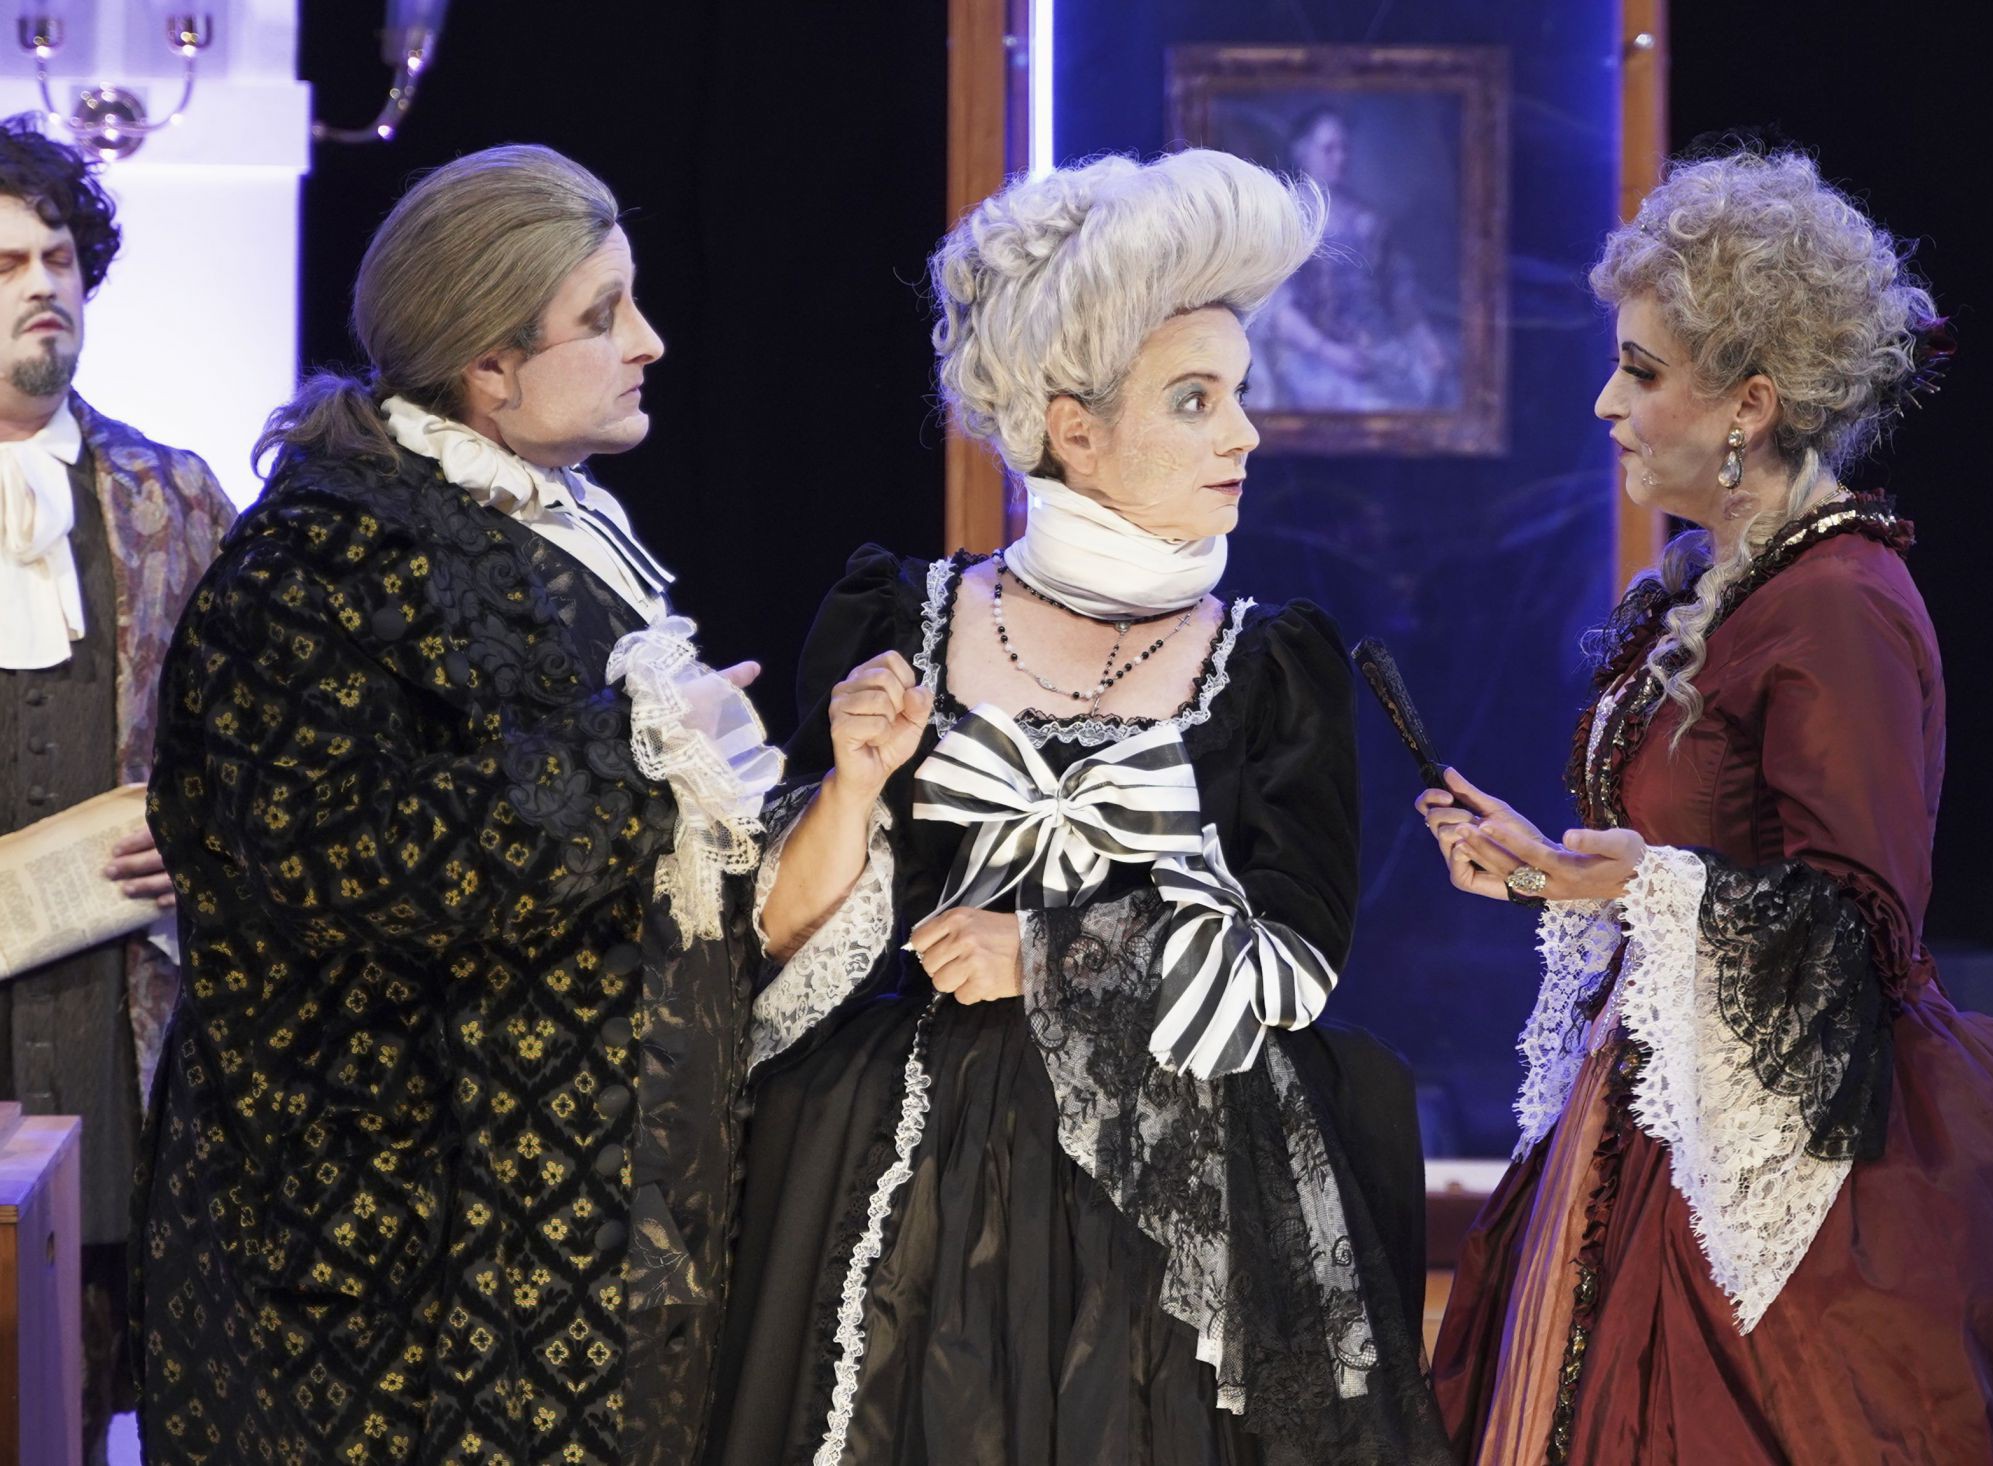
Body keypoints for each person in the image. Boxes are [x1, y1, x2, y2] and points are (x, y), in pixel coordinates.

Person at [707, 149, 1446, 1465]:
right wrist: (857, 782)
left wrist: (1048, 955)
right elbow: (778, 947)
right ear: (1075, 428)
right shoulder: (902, 620)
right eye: (1195, 399)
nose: (1244, 433)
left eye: (1241, 395)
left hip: (1181, 1181)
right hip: (916, 1169)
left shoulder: (1272, 664)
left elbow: (1293, 961)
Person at [1420, 150, 1993, 1463]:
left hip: (1794, 1153)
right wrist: (1551, 870)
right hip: (1654, 1104)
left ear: (1749, 403)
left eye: (1641, 371)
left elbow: (1857, 919)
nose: (1606, 402)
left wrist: (1640, 881)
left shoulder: (1837, 604)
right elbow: (1693, 856)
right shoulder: (1722, 586)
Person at [135, 144, 780, 1465]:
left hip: (551, 1220)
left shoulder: (551, 519)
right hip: (373, 1257)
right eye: (602, 314)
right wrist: (638, 752)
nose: (648, 342)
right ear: (489, 363)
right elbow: (337, 864)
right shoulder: (317, 559)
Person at [0, 114, 233, 1463]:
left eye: (60, 257)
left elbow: (262, 751)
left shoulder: (172, 497)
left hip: (118, 1015)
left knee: (85, 1380)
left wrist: (205, 838)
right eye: (6, 264)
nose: (43, 285)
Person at [1248, 106, 1450, 413]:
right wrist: (1331, 353)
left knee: (1432, 390)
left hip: (1374, 347)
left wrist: (1427, 344)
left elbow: (1401, 295)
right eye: (1329, 149)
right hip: (1309, 353)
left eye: (1344, 148)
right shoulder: (1285, 219)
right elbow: (1277, 311)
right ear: (1302, 152)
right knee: (1368, 407)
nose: (1340, 158)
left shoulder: (1368, 221)